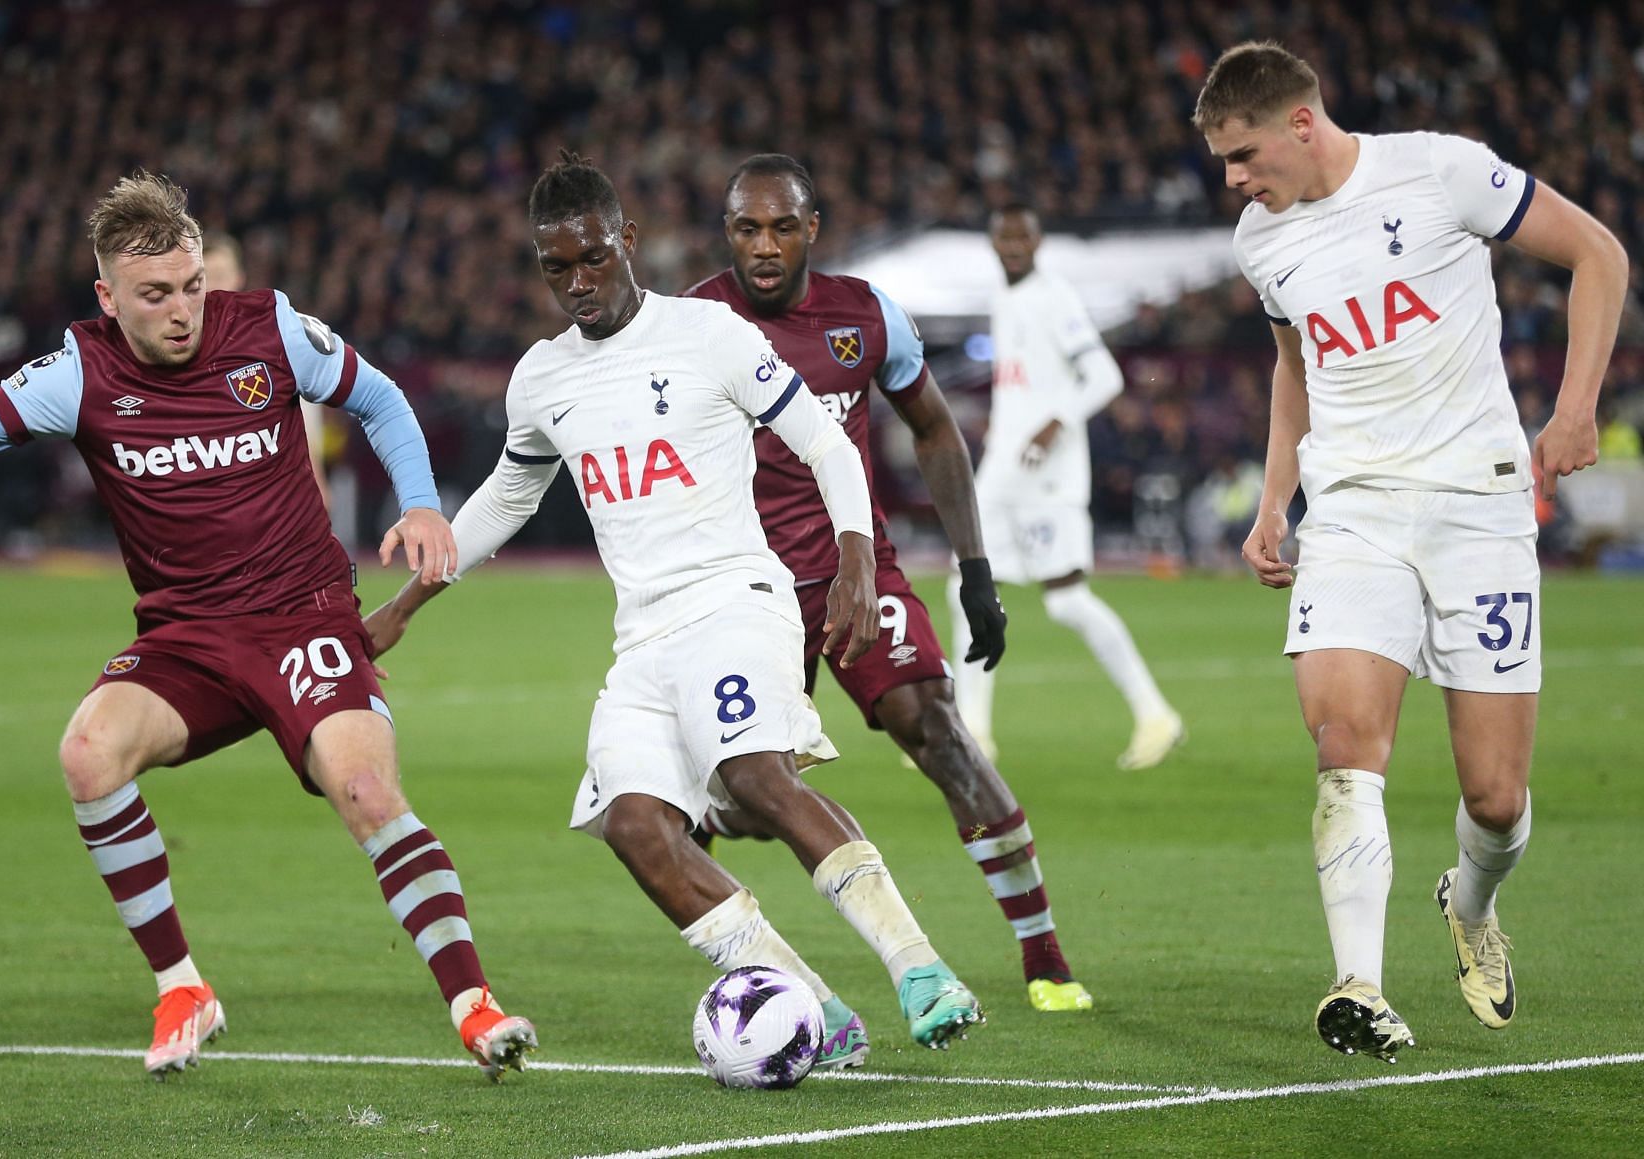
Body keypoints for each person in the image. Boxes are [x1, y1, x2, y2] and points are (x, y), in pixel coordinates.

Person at [0, 172, 537, 1080]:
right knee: (87, 752)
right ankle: (183, 985)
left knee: (367, 792)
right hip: (186, 636)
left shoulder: (267, 326)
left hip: (303, 618)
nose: (184, 309)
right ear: (108, 297)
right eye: (157, 295)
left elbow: (378, 397)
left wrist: (421, 505)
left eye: (192, 286)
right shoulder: (79, 369)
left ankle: (474, 1002)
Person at [364, 152, 983, 1064]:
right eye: (555, 267)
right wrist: (407, 604)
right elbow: (507, 497)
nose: (578, 282)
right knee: (634, 822)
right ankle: (816, 1011)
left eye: (592, 258)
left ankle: (921, 968)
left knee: (757, 776)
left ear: (629, 241)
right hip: (643, 635)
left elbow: (823, 440)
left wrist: (856, 553)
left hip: (736, 599)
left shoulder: (710, 334)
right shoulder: (542, 378)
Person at [1196, 42, 1623, 1061]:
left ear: (1302, 122)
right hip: (1354, 513)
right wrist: (1276, 501)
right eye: (1222, 161)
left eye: (1243, 154)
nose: (1234, 180)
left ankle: (1470, 900)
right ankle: (1359, 984)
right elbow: (1295, 367)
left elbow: (1599, 254)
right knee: (1343, 738)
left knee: (1496, 797)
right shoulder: (1265, 242)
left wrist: (1574, 413)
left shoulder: (1441, 171)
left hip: (1479, 509)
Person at [684, 154, 1093, 1014]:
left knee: (939, 730)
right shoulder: (690, 325)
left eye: (782, 226)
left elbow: (936, 429)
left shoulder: (865, 316)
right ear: (728, 232)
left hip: (858, 568)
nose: (764, 245)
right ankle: (721, 815)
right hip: (746, 592)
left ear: (812, 230)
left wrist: (975, 571)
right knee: (759, 795)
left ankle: (1044, 955)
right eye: (747, 228)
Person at [950, 203, 1184, 772]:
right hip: (1005, 469)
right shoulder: (1005, 298)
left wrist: (1055, 420)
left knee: (1066, 599)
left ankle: (1156, 714)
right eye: (1003, 238)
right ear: (991, 242)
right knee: (969, 581)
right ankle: (973, 730)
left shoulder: (1053, 296)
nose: (1012, 247)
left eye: (1021, 238)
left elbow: (1105, 376)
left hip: (1048, 476)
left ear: (1038, 242)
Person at [203, 231, 333, 511]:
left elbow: (303, 410)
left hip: (273, 497)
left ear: (239, 277)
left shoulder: (269, 338)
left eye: (220, 274)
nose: (214, 286)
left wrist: (318, 479)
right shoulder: (173, 346)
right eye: (205, 276)